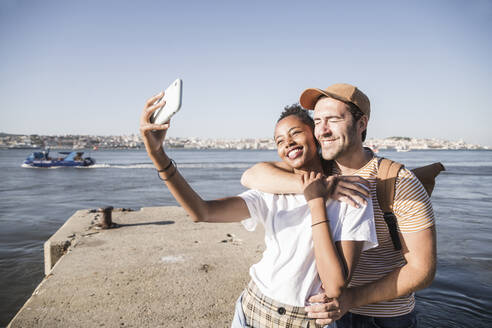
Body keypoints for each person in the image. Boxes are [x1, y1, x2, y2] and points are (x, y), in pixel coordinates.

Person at [140, 92, 378, 328]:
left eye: (295, 133)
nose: (288, 143)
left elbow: (335, 286)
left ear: (315, 136)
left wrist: (316, 202)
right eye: (279, 141)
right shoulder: (271, 191)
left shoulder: (351, 194)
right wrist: (158, 156)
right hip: (250, 308)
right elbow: (202, 212)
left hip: (304, 321)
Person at [241, 83, 437, 328]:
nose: (322, 130)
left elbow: (422, 270)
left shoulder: (398, 181)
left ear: (361, 123)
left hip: (384, 317)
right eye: (318, 121)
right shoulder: (319, 168)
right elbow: (252, 176)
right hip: (328, 312)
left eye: (333, 119)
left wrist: (350, 299)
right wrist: (322, 186)